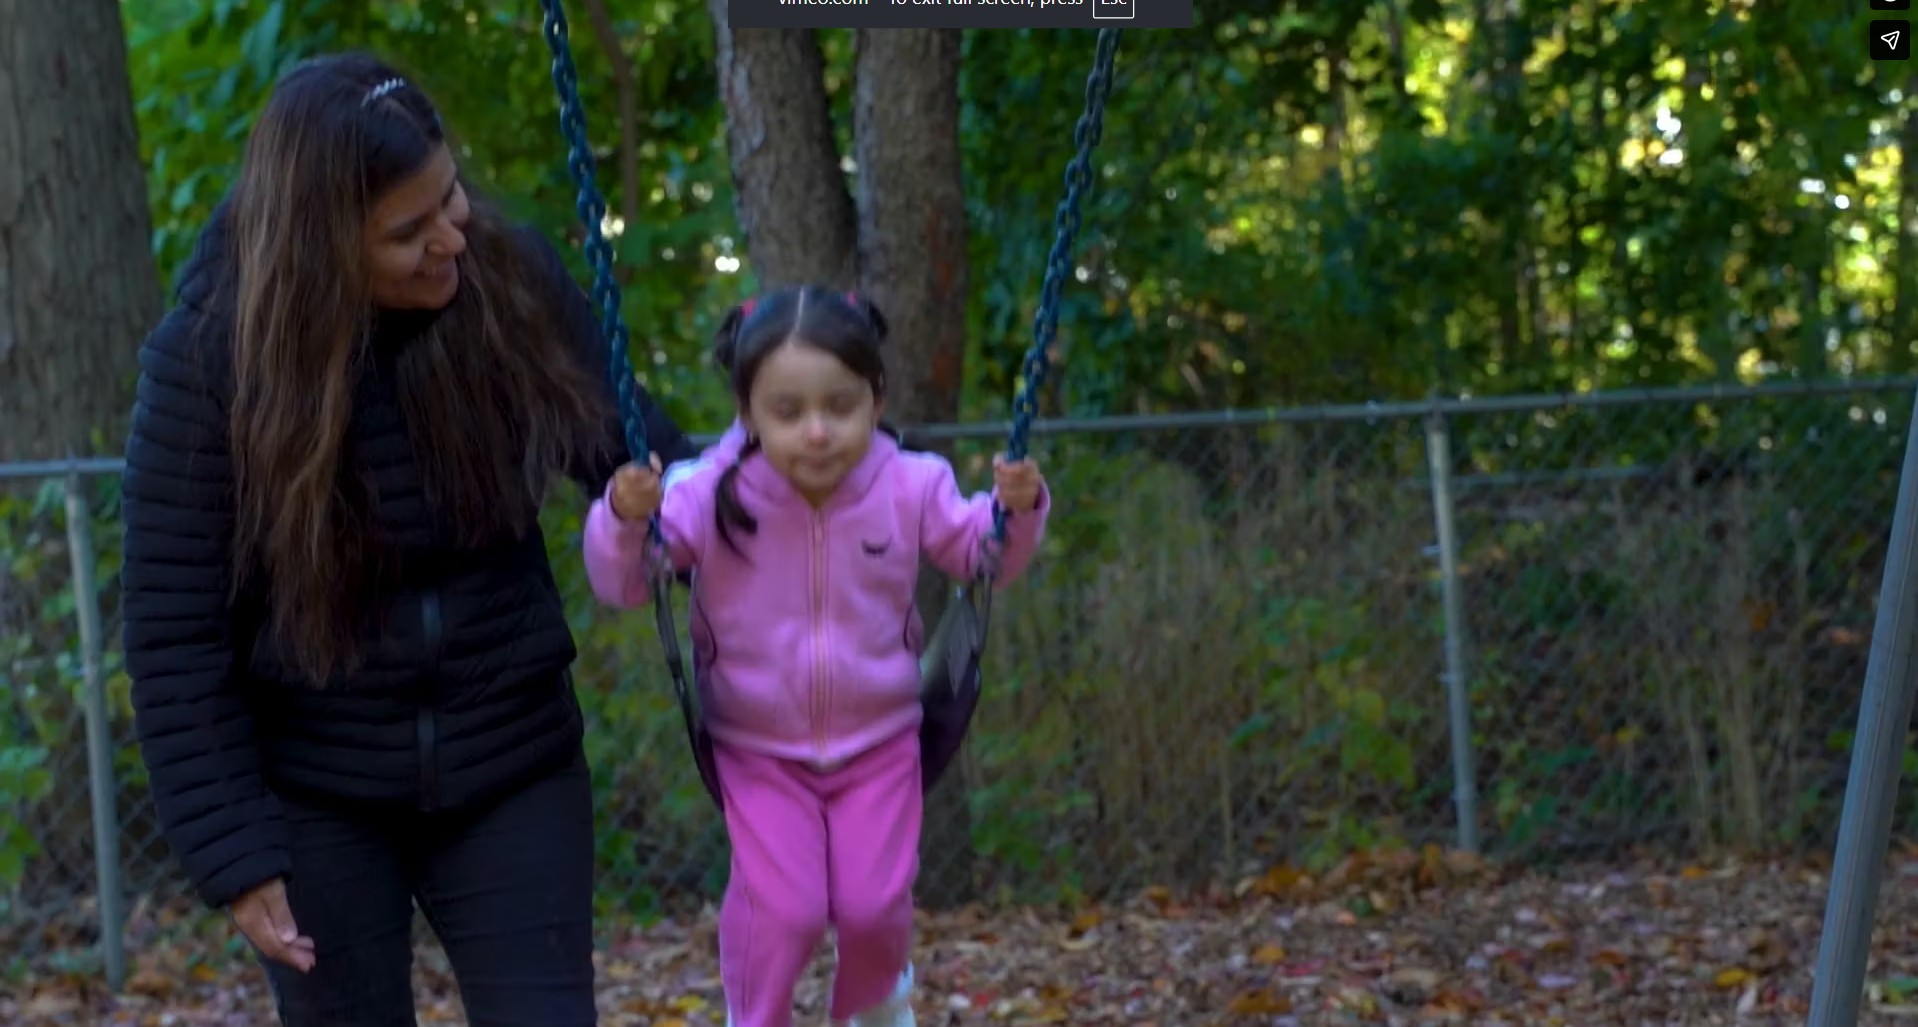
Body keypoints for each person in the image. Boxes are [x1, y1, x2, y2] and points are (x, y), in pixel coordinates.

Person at [118, 52, 696, 1026]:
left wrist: (822, 479)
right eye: (407, 230)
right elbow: (173, 631)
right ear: (321, 246)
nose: (450, 237)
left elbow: (645, 460)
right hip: (318, 789)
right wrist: (235, 851)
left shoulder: (506, 285)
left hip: (510, 758)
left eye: (450, 196)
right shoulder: (212, 356)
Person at [580, 286, 1052, 1027]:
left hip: (881, 739)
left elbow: (979, 552)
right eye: (788, 411)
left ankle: (871, 1006)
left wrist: (1016, 509)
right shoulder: (708, 492)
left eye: (841, 405)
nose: (819, 432)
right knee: (789, 910)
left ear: (876, 395)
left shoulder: (909, 482)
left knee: (873, 907)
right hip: (757, 746)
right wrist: (622, 519)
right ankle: (755, 1014)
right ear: (747, 413)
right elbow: (622, 582)